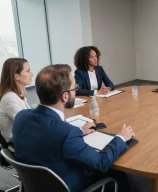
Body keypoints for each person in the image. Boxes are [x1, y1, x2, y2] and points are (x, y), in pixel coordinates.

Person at [13, 64, 135, 192]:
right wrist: (120, 138)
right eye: (74, 88)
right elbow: (101, 163)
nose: (76, 91)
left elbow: (50, 137)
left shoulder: (21, 117)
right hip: (67, 186)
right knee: (118, 174)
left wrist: (80, 131)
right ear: (64, 96)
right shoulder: (67, 133)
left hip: (34, 185)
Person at [0, 58, 32, 142]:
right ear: (16, 76)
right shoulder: (10, 98)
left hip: (25, 140)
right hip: (19, 145)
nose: (31, 74)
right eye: (28, 71)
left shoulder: (20, 92)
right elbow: (28, 125)